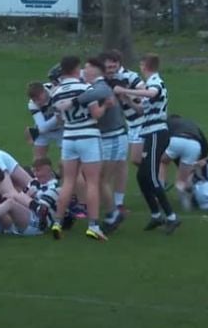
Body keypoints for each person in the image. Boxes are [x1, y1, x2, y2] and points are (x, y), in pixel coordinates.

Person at [55, 57, 125, 234]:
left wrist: (72, 102)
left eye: (88, 68)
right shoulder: (88, 87)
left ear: (96, 71)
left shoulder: (99, 86)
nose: (84, 71)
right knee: (94, 180)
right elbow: (94, 109)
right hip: (93, 136)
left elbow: (97, 97)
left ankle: (112, 213)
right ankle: (105, 216)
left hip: (111, 136)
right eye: (82, 68)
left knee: (97, 179)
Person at [113, 54, 180, 234]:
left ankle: (172, 217)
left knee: (150, 176)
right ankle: (156, 215)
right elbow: (142, 110)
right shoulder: (151, 82)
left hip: (157, 132)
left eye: (141, 65)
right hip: (149, 133)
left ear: (145, 65)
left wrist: (127, 91)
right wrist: (126, 100)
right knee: (142, 177)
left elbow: (153, 93)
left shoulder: (156, 81)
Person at [48, 56, 107, 241]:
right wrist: (106, 105)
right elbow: (96, 114)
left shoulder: (55, 92)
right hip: (88, 135)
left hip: (69, 137)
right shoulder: (85, 88)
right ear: (76, 69)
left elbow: (58, 118)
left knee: (68, 182)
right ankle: (94, 226)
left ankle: (57, 221)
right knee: (91, 182)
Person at [101, 50, 144, 213]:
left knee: (124, 162)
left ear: (119, 64)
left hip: (139, 123)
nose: (111, 69)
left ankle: (117, 203)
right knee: (121, 162)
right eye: (108, 66)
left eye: (114, 65)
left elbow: (142, 95)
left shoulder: (129, 77)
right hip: (123, 126)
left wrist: (126, 94)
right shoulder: (101, 79)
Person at [161, 114, 208, 209]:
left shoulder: (167, 123)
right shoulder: (191, 123)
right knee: (182, 179)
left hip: (176, 140)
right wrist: (200, 159)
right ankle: (182, 190)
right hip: (195, 145)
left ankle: (160, 186)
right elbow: (205, 145)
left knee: (162, 162)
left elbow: (161, 141)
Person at [25, 81, 62, 159]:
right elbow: (42, 128)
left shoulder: (57, 92)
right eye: (34, 100)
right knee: (38, 160)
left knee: (67, 159)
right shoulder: (32, 104)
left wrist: (36, 131)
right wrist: (58, 117)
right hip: (44, 131)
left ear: (44, 91)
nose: (37, 102)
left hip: (61, 129)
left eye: (38, 98)